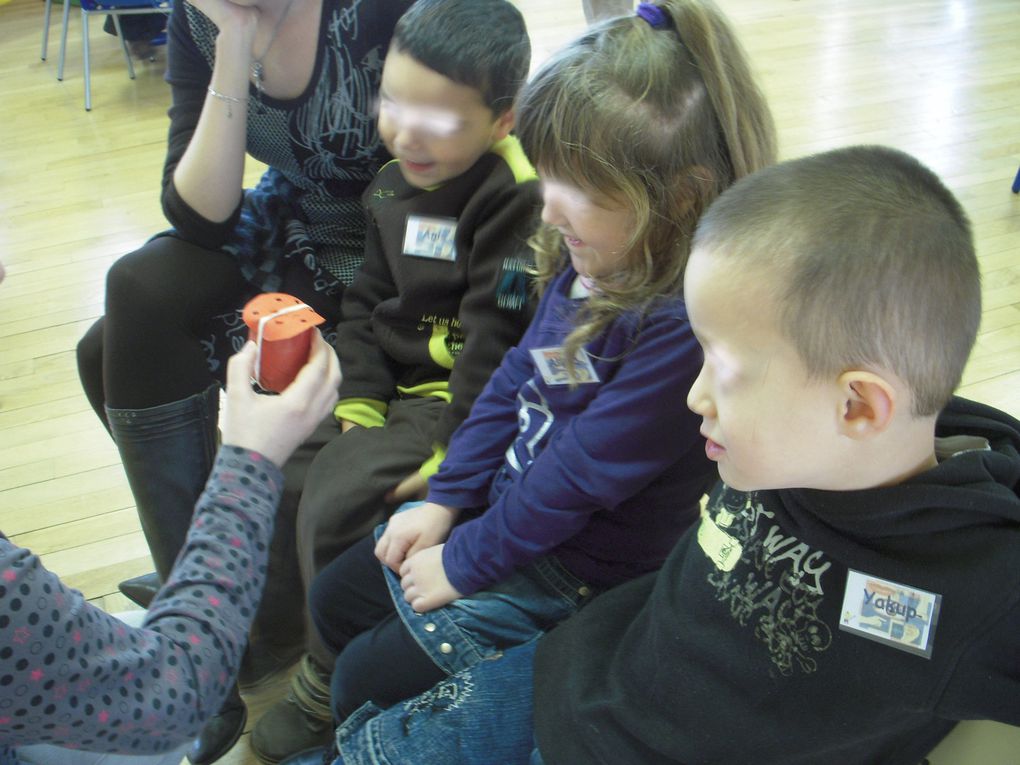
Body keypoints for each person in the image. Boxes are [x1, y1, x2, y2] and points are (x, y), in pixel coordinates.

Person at [301, 144, 1020, 765]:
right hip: (565, 681)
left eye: (723, 371)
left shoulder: (979, 579)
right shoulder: (782, 451)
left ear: (858, 405)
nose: (693, 397)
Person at [278, 2, 776, 762]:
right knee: (338, 597)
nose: (546, 205)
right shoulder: (593, 259)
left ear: (679, 198)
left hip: (575, 571)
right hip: (510, 506)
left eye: (575, 185)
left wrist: (466, 558)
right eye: (547, 176)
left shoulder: (679, 325)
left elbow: (578, 478)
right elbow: (516, 375)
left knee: (364, 676)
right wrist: (447, 497)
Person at [74, 0, 413, 759]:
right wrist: (231, 47)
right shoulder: (202, 19)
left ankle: (212, 623)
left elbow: (472, 153)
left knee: (117, 343)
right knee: (132, 300)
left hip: (393, 256)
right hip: (292, 236)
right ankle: (206, 639)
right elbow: (200, 213)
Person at [248, 0, 541, 759]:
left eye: (439, 118)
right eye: (394, 103)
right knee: (272, 458)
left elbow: (498, 343)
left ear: (501, 120)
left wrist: (451, 461)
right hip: (394, 385)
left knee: (338, 495)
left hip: (460, 404)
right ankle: (273, 629)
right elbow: (368, 307)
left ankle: (323, 669)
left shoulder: (515, 201)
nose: (406, 132)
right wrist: (359, 401)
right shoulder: (391, 183)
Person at [2, 250, 342, 765]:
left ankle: (193, 602)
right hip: (162, 699)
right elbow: (169, 703)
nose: (5, 264)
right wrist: (252, 460)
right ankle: (206, 630)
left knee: (118, 322)